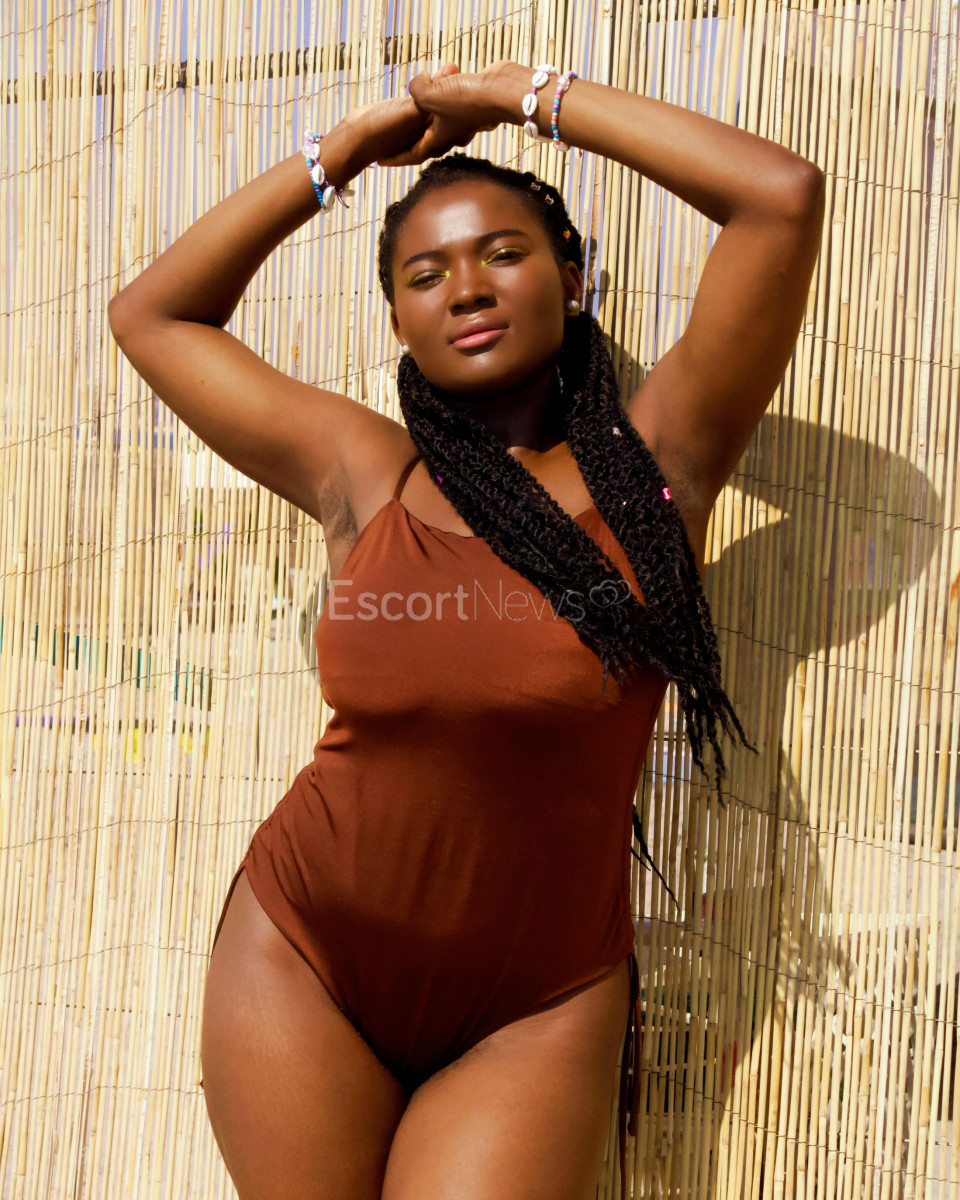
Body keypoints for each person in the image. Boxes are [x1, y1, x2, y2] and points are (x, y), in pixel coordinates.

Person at [108, 58, 824, 1200]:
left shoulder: (658, 468)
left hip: (535, 1003)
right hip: (303, 953)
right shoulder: (366, 473)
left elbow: (779, 198)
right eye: (425, 273)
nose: (467, 289)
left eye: (503, 253)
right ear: (397, 318)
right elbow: (152, 317)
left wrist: (515, 98)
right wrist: (345, 148)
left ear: (571, 277)